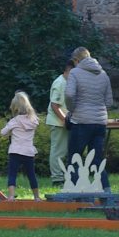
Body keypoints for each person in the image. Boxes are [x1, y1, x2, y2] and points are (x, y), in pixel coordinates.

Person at [61, 47, 111, 179]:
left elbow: (69, 95)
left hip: (80, 121)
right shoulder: (103, 74)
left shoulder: (75, 72)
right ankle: (105, 189)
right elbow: (109, 101)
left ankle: (75, 190)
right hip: (100, 123)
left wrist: (72, 110)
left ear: (76, 60)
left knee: (74, 159)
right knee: (97, 160)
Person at [0, 94, 41, 198]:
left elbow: (3, 133)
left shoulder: (14, 121)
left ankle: (11, 197)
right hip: (28, 151)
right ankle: (37, 197)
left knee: (12, 174)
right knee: (31, 175)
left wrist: (11, 132)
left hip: (15, 151)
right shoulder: (33, 120)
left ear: (15, 108)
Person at [46, 53, 73, 187]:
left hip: (65, 121)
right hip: (59, 122)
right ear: (68, 70)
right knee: (58, 151)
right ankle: (57, 178)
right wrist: (65, 120)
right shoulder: (60, 82)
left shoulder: (68, 82)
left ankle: (64, 177)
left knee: (64, 151)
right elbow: (54, 105)